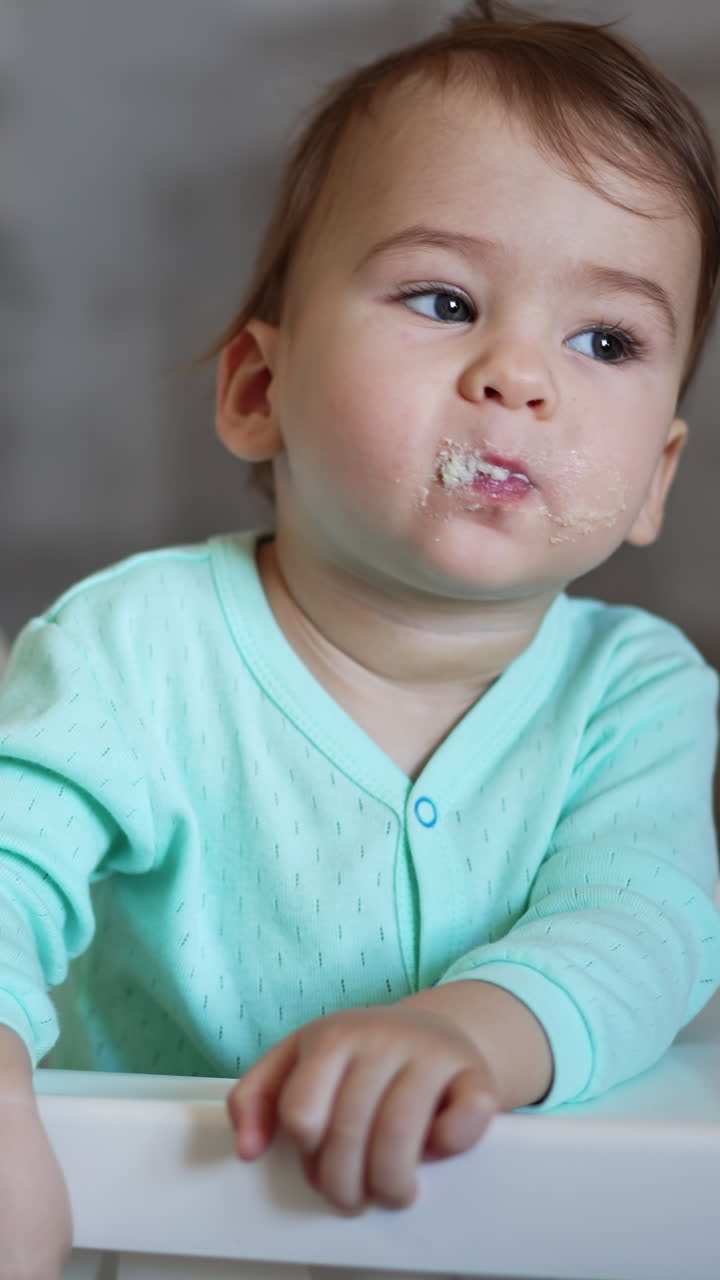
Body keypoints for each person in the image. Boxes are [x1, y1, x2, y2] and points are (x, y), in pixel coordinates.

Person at [2, 0, 720, 1272]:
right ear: (259, 391)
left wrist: (469, 1032)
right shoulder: (133, 650)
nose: (521, 374)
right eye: (444, 299)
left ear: (657, 476)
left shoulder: (636, 693)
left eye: (605, 338)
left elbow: (645, 922)